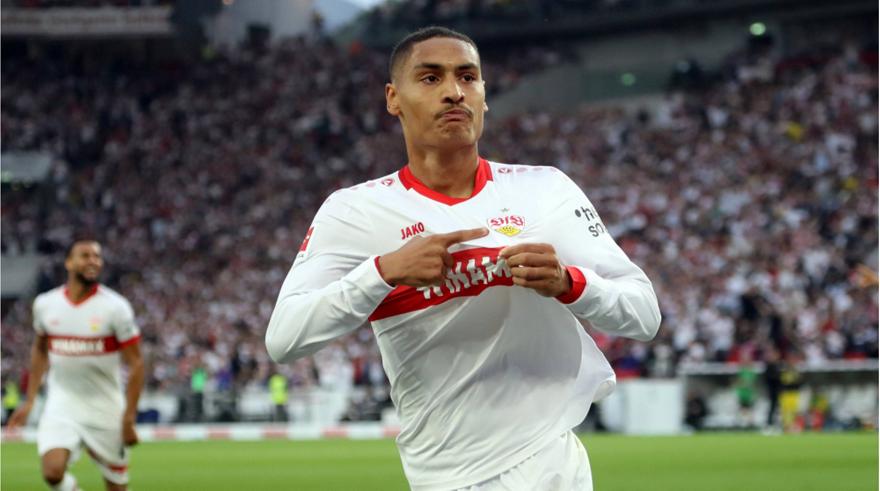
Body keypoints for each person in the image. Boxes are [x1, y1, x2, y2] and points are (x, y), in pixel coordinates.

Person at [265, 26, 661, 490]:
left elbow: (644, 315)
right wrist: (384, 272)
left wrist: (568, 282)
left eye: (468, 77)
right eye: (431, 78)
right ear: (393, 98)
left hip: (549, 461)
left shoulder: (545, 190)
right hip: (443, 472)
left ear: (484, 96)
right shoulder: (355, 212)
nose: (454, 92)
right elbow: (284, 338)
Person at [7, 240, 144, 491]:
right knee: (52, 472)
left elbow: (136, 363)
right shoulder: (46, 304)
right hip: (63, 403)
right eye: (85, 255)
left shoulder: (116, 307)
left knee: (116, 487)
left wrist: (128, 418)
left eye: (97, 256)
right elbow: (40, 350)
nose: (93, 261)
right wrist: (30, 400)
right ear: (69, 263)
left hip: (105, 406)